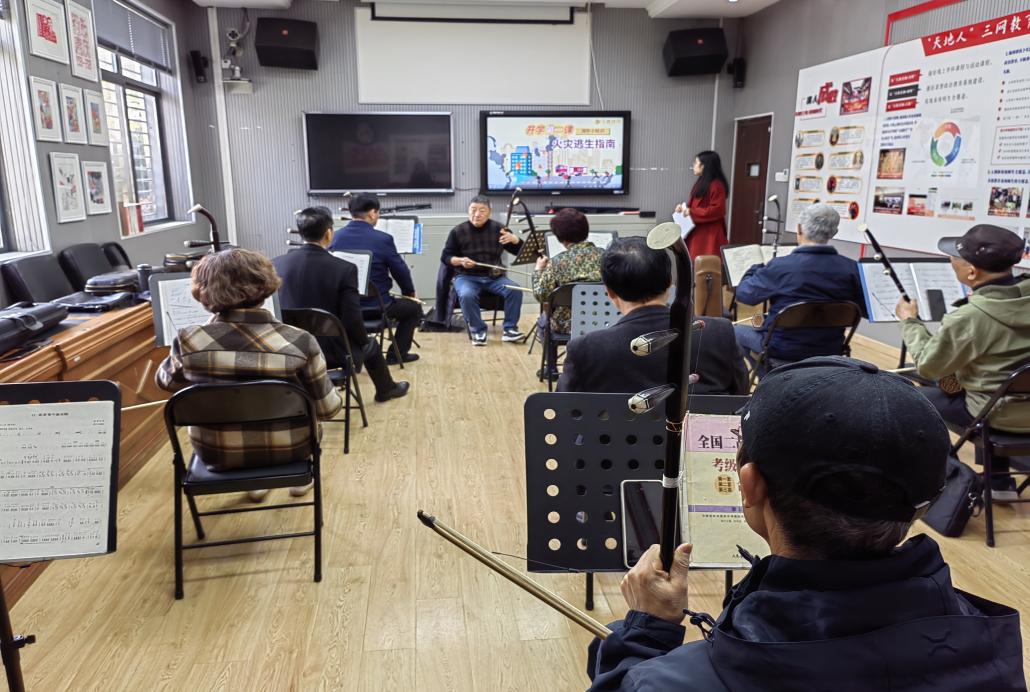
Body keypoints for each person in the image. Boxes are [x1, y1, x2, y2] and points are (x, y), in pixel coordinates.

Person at [588, 357, 1024, 690]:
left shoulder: (672, 682)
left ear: (750, 485)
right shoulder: (991, 642)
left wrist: (644, 633)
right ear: (922, 505)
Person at [156, 248, 343, 501]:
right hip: (291, 449)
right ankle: (296, 478)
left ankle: (255, 482)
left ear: (203, 291)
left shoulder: (188, 341)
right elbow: (328, 410)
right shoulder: (300, 341)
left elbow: (165, 382)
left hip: (217, 454)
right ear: (265, 284)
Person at [896, 224, 1030, 501]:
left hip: (994, 414)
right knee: (989, 383)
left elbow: (928, 366)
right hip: (1021, 405)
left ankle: (946, 478)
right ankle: (998, 482)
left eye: (955, 258)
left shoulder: (970, 318)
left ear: (972, 272)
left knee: (911, 398)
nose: (951, 260)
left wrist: (910, 322)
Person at [558, 237, 747, 395]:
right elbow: (741, 398)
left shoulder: (584, 350)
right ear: (670, 282)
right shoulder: (721, 333)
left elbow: (564, 411)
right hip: (698, 431)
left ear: (610, 292)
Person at [273, 207, 409, 403]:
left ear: (300, 232)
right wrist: (362, 342)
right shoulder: (344, 269)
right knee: (370, 344)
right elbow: (352, 319)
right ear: (329, 233)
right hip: (331, 353)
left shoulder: (276, 264)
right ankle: (386, 390)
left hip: (289, 348)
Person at [734, 203, 865, 370]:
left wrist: (754, 269)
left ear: (799, 229)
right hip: (830, 349)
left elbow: (745, 295)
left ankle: (767, 377)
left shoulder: (780, 266)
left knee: (733, 331)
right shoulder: (852, 269)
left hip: (782, 349)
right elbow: (864, 310)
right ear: (834, 232)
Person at [329, 194, 421, 364]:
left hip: (344, 308)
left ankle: (349, 352)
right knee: (413, 308)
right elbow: (400, 271)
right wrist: (409, 292)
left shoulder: (334, 237)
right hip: (377, 307)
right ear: (372, 213)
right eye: (378, 213)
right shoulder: (383, 239)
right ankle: (396, 356)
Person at [441, 195, 525, 346]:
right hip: (466, 277)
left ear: (489, 212)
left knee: (515, 290)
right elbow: (446, 257)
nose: (477, 214)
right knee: (466, 294)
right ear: (468, 211)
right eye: (473, 210)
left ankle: (510, 329)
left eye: (482, 210)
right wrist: (460, 261)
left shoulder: (499, 229)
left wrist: (515, 240)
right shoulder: (458, 231)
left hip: (494, 277)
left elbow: (520, 252)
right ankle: (478, 330)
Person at [532, 209, 605, 380]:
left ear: (560, 237)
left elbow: (541, 295)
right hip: (605, 319)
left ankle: (551, 369)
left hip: (567, 325)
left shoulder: (557, 262)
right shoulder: (606, 256)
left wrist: (538, 270)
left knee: (543, 323)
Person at [676, 150, 729, 259]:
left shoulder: (716, 185)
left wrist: (691, 212)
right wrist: (683, 209)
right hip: (697, 231)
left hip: (709, 235)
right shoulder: (701, 183)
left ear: (704, 166)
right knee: (694, 262)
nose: (694, 165)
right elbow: (693, 206)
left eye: (696, 162)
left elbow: (718, 210)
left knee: (705, 264)